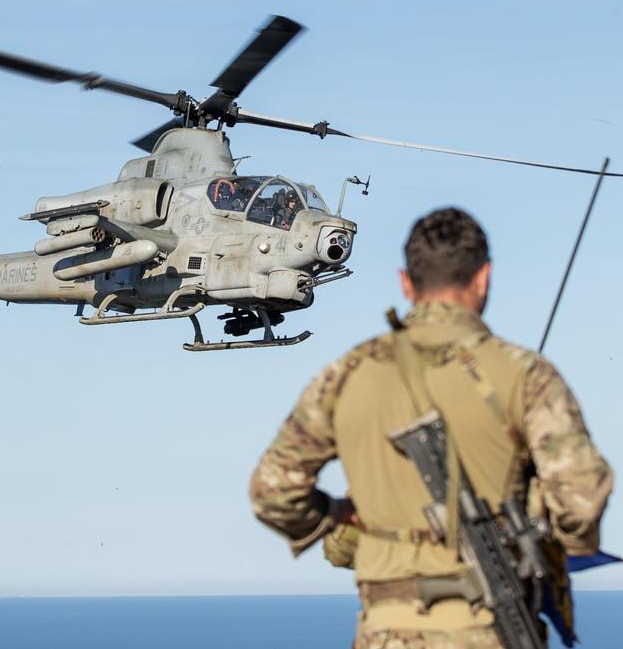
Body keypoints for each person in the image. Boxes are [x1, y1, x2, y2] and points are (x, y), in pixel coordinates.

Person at [249, 207, 613, 648]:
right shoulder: (526, 374)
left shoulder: (346, 374)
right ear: (483, 277)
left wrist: (339, 513)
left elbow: (272, 492)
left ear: (406, 283)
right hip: (489, 630)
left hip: (384, 633)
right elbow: (580, 498)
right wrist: (541, 537)